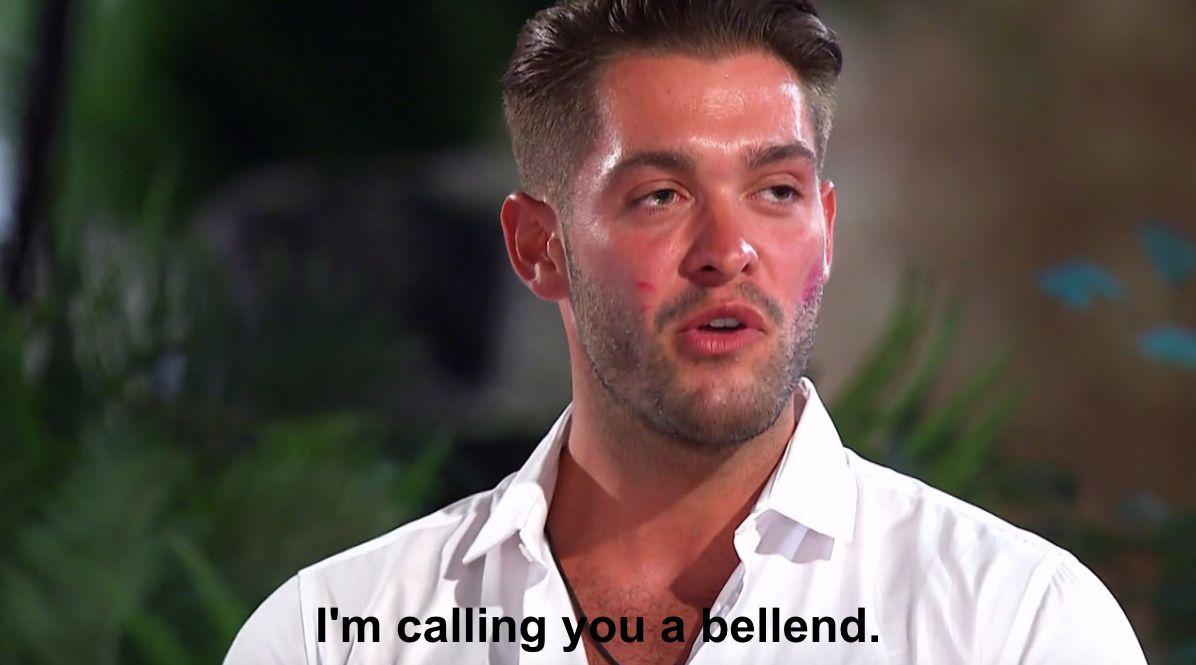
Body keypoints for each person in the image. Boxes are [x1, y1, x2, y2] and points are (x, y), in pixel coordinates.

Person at [225, 1, 1147, 662]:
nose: (728, 251)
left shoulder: (1019, 625)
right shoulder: (330, 633)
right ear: (539, 247)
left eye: (776, 191)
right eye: (661, 195)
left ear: (825, 229)